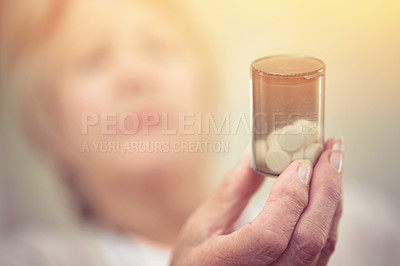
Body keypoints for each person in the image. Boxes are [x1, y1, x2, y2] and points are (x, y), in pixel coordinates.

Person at [0, 0, 344, 265]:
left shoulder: (363, 230)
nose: (135, 74)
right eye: (94, 59)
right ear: (48, 128)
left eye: (159, 47)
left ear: (208, 89)